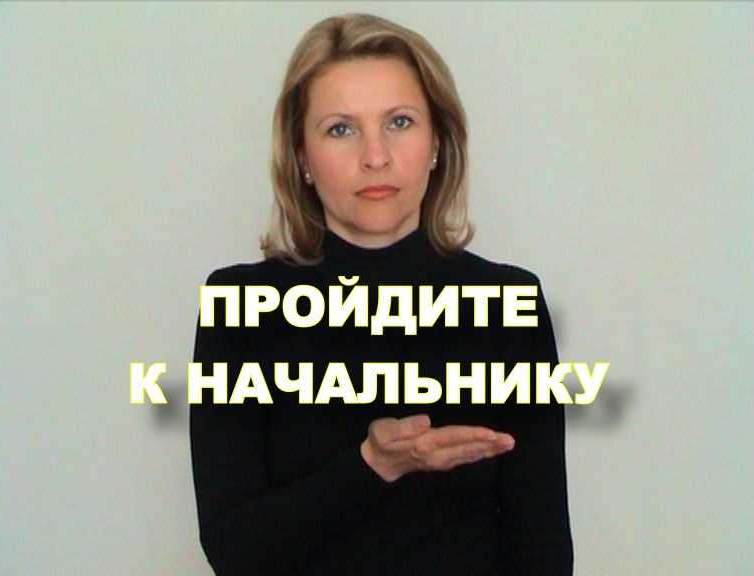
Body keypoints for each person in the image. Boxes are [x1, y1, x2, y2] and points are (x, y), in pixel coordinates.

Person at [191, 13, 572, 575]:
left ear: (437, 142)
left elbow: (541, 550)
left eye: (399, 122)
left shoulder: (508, 302)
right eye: (341, 129)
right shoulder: (240, 306)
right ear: (302, 158)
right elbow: (233, 550)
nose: (376, 156)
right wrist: (373, 464)